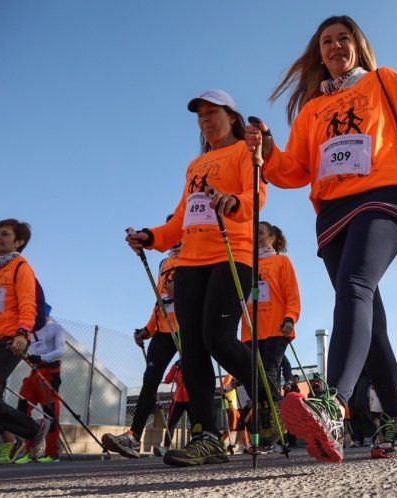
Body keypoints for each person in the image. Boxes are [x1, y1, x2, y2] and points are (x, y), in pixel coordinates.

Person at [246, 15, 397, 462]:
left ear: (358, 44)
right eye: (327, 42)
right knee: (369, 313)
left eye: (343, 38)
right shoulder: (313, 108)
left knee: (354, 286)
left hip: (382, 197)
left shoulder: (383, 81)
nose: (335, 46)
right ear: (320, 54)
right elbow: (294, 170)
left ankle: (331, 403)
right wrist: (267, 152)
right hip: (332, 214)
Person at [126, 89, 275, 467]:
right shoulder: (195, 166)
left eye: (213, 113)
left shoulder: (244, 150)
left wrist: (234, 201)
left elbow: (256, 193)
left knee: (219, 338)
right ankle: (207, 436)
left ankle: (271, 397)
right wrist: (153, 237)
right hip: (190, 261)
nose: (206, 120)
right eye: (200, 116)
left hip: (232, 253)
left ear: (232, 117)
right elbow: (181, 219)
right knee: (191, 347)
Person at [0, 219, 50, 470]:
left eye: (5, 234)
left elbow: (28, 303)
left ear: (18, 241)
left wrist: (22, 333)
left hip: (9, 340)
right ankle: (34, 428)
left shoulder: (21, 268)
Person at [103, 236, 181, 459]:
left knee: (193, 380)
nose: (176, 242)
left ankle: (203, 435)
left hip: (188, 327)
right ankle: (133, 437)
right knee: (150, 380)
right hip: (164, 330)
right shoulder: (164, 264)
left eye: (180, 235)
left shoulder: (197, 255)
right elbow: (160, 300)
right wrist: (148, 329)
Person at [241, 221, 301, 388]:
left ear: (272, 238)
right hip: (250, 330)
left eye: (260, 233)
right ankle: (260, 412)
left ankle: (272, 411)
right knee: (250, 377)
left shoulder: (281, 261)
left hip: (276, 327)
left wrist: (290, 318)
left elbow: (292, 294)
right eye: (253, 233)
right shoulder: (244, 264)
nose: (256, 237)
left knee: (268, 374)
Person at [13, 309, 65, 463]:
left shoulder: (56, 328)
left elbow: (60, 351)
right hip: (34, 372)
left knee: (50, 413)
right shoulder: (31, 330)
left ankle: (51, 453)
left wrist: (41, 357)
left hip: (50, 371)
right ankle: (30, 451)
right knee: (22, 409)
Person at [153, 360, 192, 456]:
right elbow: (167, 380)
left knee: (195, 423)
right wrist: (175, 366)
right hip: (177, 399)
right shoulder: (177, 369)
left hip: (190, 398)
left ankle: (195, 446)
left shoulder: (193, 365)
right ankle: (166, 448)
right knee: (170, 424)